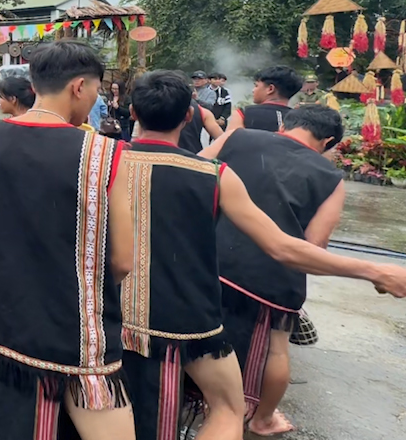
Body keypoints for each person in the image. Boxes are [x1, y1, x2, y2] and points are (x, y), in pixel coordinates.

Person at [121, 72, 406, 440]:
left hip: (164, 289)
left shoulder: (109, 161)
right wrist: (375, 271)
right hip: (238, 295)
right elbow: (299, 247)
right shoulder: (324, 177)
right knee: (248, 380)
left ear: (131, 112)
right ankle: (263, 417)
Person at [0, 41, 134, 439]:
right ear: (79, 86)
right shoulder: (102, 153)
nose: (95, 99)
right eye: (97, 90)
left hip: (8, 330)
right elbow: (121, 261)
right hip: (77, 340)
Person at [202, 105, 363, 436]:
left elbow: (193, 169)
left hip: (210, 259)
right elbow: (314, 246)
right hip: (273, 278)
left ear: (288, 123)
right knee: (276, 348)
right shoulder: (331, 178)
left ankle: (201, 401)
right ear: (328, 140)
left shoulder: (238, 138)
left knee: (199, 334)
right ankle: (262, 419)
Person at [227, 65, 303, 133]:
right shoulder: (302, 121)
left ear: (270, 89)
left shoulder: (243, 114)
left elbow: (228, 145)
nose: (253, 90)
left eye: (256, 86)